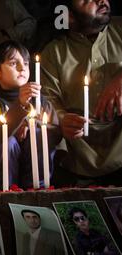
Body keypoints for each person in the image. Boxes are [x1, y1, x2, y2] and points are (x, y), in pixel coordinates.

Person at [41, 0, 122, 187]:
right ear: (68, 14)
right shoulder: (54, 52)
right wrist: (62, 119)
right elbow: (48, 101)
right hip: (77, 157)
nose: (101, 1)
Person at [0, 40, 62, 189]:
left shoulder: (40, 101)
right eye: (13, 64)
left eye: (25, 63)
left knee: (38, 134)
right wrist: (21, 105)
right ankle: (8, 192)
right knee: (8, 141)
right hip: (5, 179)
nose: (22, 68)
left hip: (37, 179)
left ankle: (38, 190)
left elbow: (56, 133)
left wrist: (31, 125)